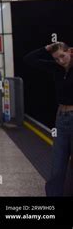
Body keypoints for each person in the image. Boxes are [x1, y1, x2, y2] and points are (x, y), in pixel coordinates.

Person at [24, 42, 73, 196]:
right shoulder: (55, 68)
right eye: (56, 58)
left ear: (70, 51)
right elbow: (29, 59)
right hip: (61, 119)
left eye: (62, 56)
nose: (60, 61)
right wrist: (46, 48)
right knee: (57, 164)